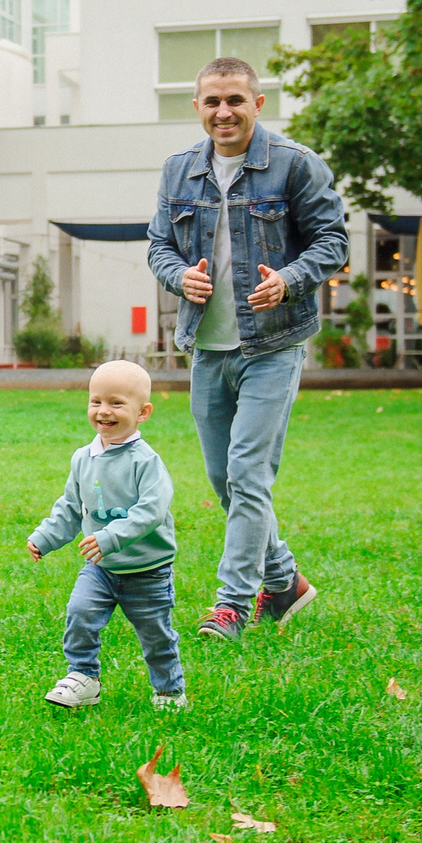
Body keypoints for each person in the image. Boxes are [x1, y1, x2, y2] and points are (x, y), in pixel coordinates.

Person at [147, 56, 348, 642]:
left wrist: (289, 278)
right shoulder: (178, 170)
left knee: (248, 472)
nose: (224, 112)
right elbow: (158, 244)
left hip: (274, 343)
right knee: (225, 480)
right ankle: (285, 582)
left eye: (235, 99)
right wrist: (178, 276)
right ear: (198, 107)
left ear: (257, 104)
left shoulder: (295, 164)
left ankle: (232, 604)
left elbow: (333, 241)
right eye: (212, 101)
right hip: (207, 347)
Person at [26, 360, 187, 711]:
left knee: (155, 636)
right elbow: (71, 505)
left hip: (147, 570)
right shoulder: (83, 458)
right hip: (101, 568)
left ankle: (169, 691)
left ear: (143, 412)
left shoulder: (146, 462)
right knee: (79, 614)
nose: (103, 411)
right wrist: (46, 536)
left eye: (116, 403)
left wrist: (111, 537)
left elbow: (152, 510)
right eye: (96, 401)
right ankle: (84, 677)